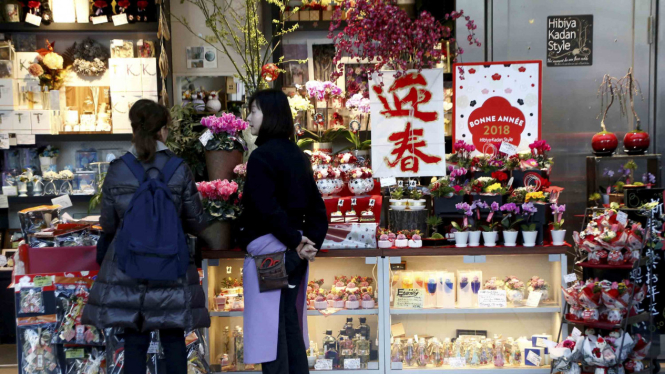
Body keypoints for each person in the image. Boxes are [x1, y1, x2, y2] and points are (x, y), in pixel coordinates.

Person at [82, 99, 210, 374]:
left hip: (129, 267)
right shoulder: (178, 168)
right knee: (174, 339)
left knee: (134, 341)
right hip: (172, 266)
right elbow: (196, 221)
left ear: (134, 128)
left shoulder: (118, 168)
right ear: (163, 130)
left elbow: (107, 223)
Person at [239, 89, 328, 374]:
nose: (248, 117)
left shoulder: (261, 157)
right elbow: (317, 208)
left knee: (271, 331)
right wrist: (308, 244)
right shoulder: (299, 156)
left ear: (271, 115)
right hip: (294, 256)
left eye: (254, 111)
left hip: (271, 255)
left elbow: (267, 208)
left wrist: (294, 241)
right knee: (288, 324)